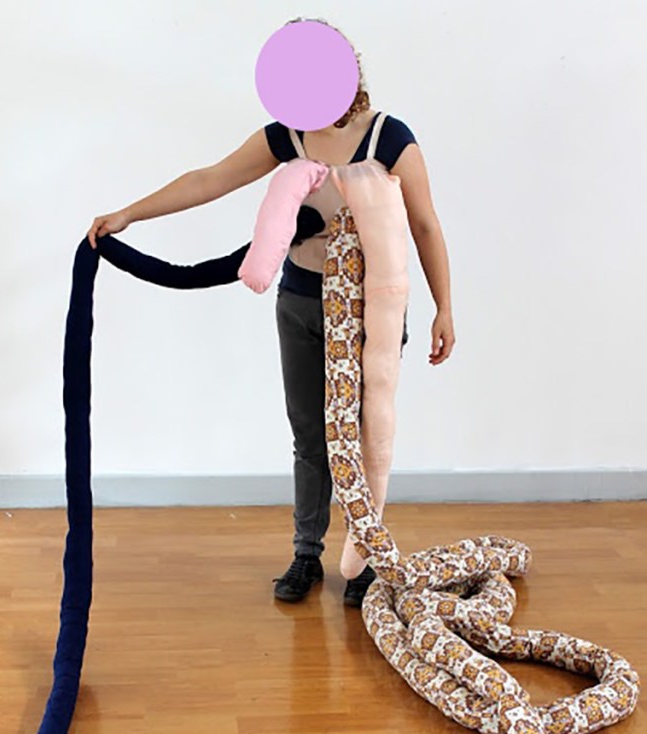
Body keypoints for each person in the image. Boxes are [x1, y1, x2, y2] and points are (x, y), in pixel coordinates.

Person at [87, 17, 456, 609]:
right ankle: (306, 552)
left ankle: (363, 560)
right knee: (309, 435)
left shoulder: (389, 138)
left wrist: (444, 307)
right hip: (300, 301)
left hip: (369, 313)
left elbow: (425, 224)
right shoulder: (287, 136)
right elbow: (209, 179)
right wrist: (130, 213)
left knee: (365, 435)